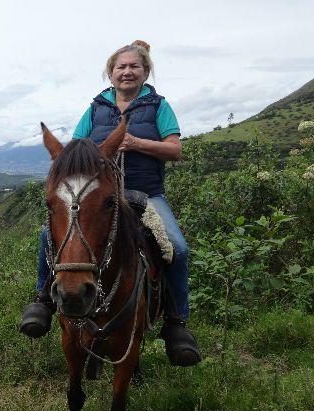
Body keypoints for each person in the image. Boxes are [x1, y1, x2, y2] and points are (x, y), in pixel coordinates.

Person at [19, 40, 201, 366]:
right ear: (111, 72)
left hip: (146, 194)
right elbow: (75, 150)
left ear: (146, 71)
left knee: (177, 246)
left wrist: (137, 143)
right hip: (98, 194)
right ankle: (43, 299)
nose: (127, 71)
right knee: (48, 236)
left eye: (134, 66)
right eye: (121, 67)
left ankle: (176, 323)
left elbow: (175, 150)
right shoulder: (95, 108)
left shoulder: (158, 106)